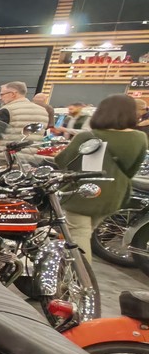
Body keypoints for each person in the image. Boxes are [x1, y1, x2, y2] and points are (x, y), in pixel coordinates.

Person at [54, 94, 148, 260]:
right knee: (86, 232)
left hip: (84, 193)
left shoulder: (87, 136)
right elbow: (132, 169)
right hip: (115, 194)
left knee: (78, 236)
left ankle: (81, 274)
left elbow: (63, 160)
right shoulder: (139, 137)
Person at [0, 81, 46, 148]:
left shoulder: (7, 110)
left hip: (6, 153)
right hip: (33, 153)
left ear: (13, 94)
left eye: (2, 94)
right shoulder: (43, 111)